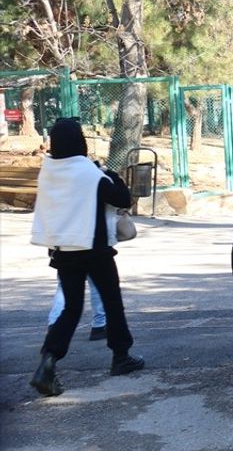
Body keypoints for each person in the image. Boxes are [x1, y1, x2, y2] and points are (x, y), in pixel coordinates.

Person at [29, 118, 145, 397]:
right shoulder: (89, 171)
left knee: (71, 307)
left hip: (63, 248)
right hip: (94, 248)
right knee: (111, 301)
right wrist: (106, 170)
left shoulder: (48, 170)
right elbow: (122, 197)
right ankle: (121, 356)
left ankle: (49, 358)